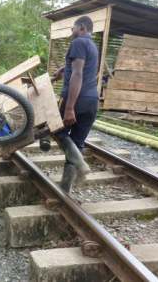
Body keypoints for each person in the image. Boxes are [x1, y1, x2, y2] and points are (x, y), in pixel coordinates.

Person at [51, 15, 99, 193]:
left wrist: (70, 108)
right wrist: (62, 69)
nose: (71, 31)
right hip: (92, 101)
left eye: (73, 28)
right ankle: (65, 187)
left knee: (55, 130)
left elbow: (78, 74)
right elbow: (82, 67)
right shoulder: (93, 46)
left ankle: (80, 163)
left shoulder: (78, 42)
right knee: (77, 142)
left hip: (77, 100)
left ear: (82, 28)